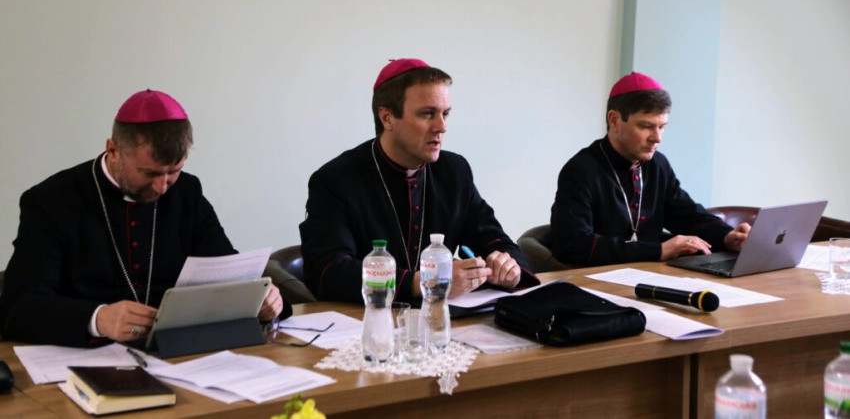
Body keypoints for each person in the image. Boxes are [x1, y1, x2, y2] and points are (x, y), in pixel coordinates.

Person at [0, 89, 289, 347]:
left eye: (173, 171)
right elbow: (18, 307)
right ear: (113, 150)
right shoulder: (52, 201)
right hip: (83, 360)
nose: (162, 187)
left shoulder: (187, 192)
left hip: (179, 356)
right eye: (150, 173)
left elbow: (227, 272)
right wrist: (97, 319)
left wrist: (262, 300)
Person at [299, 58, 539, 303]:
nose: (442, 127)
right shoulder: (335, 180)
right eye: (427, 114)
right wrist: (421, 282)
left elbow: (493, 238)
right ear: (387, 118)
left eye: (445, 114)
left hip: (444, 318)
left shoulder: (454, 171)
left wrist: (508, 268)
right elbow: (328, 272)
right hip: (365, 319)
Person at [546, 72, 751, 266]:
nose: (657, 138)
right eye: (646, 126)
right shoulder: (581, 170)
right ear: (614, 120)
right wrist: (659, 250)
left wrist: (727, 236)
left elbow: (687, 214)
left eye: (662, 127)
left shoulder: (657, 165)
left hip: (651, 276)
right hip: (595, 281)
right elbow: (573, 244)